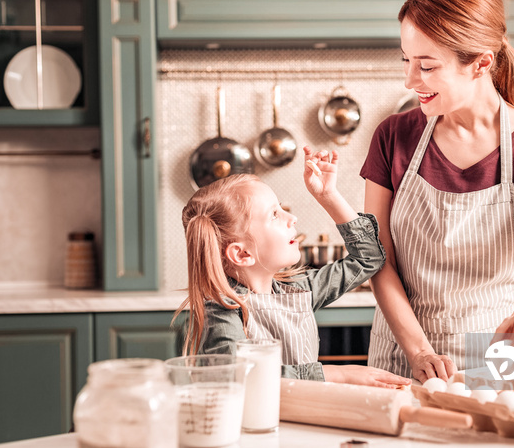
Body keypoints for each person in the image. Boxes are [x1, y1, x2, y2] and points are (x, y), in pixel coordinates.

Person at [361, 0, 514, 382]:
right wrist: (419, 350)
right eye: (406, 60)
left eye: (426, 66)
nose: (410, 80)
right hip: (401, 356)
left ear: (480, 63)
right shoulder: (393, 137)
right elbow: (378, 259)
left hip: (495, 358)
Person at [175, 146, 410, 388]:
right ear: (242, 253)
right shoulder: (221, 312)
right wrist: (336, 375)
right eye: (274, 215)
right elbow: (239, 374)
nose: (292, 218)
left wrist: (328, 195)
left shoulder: (298, 291)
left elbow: (368, 258)